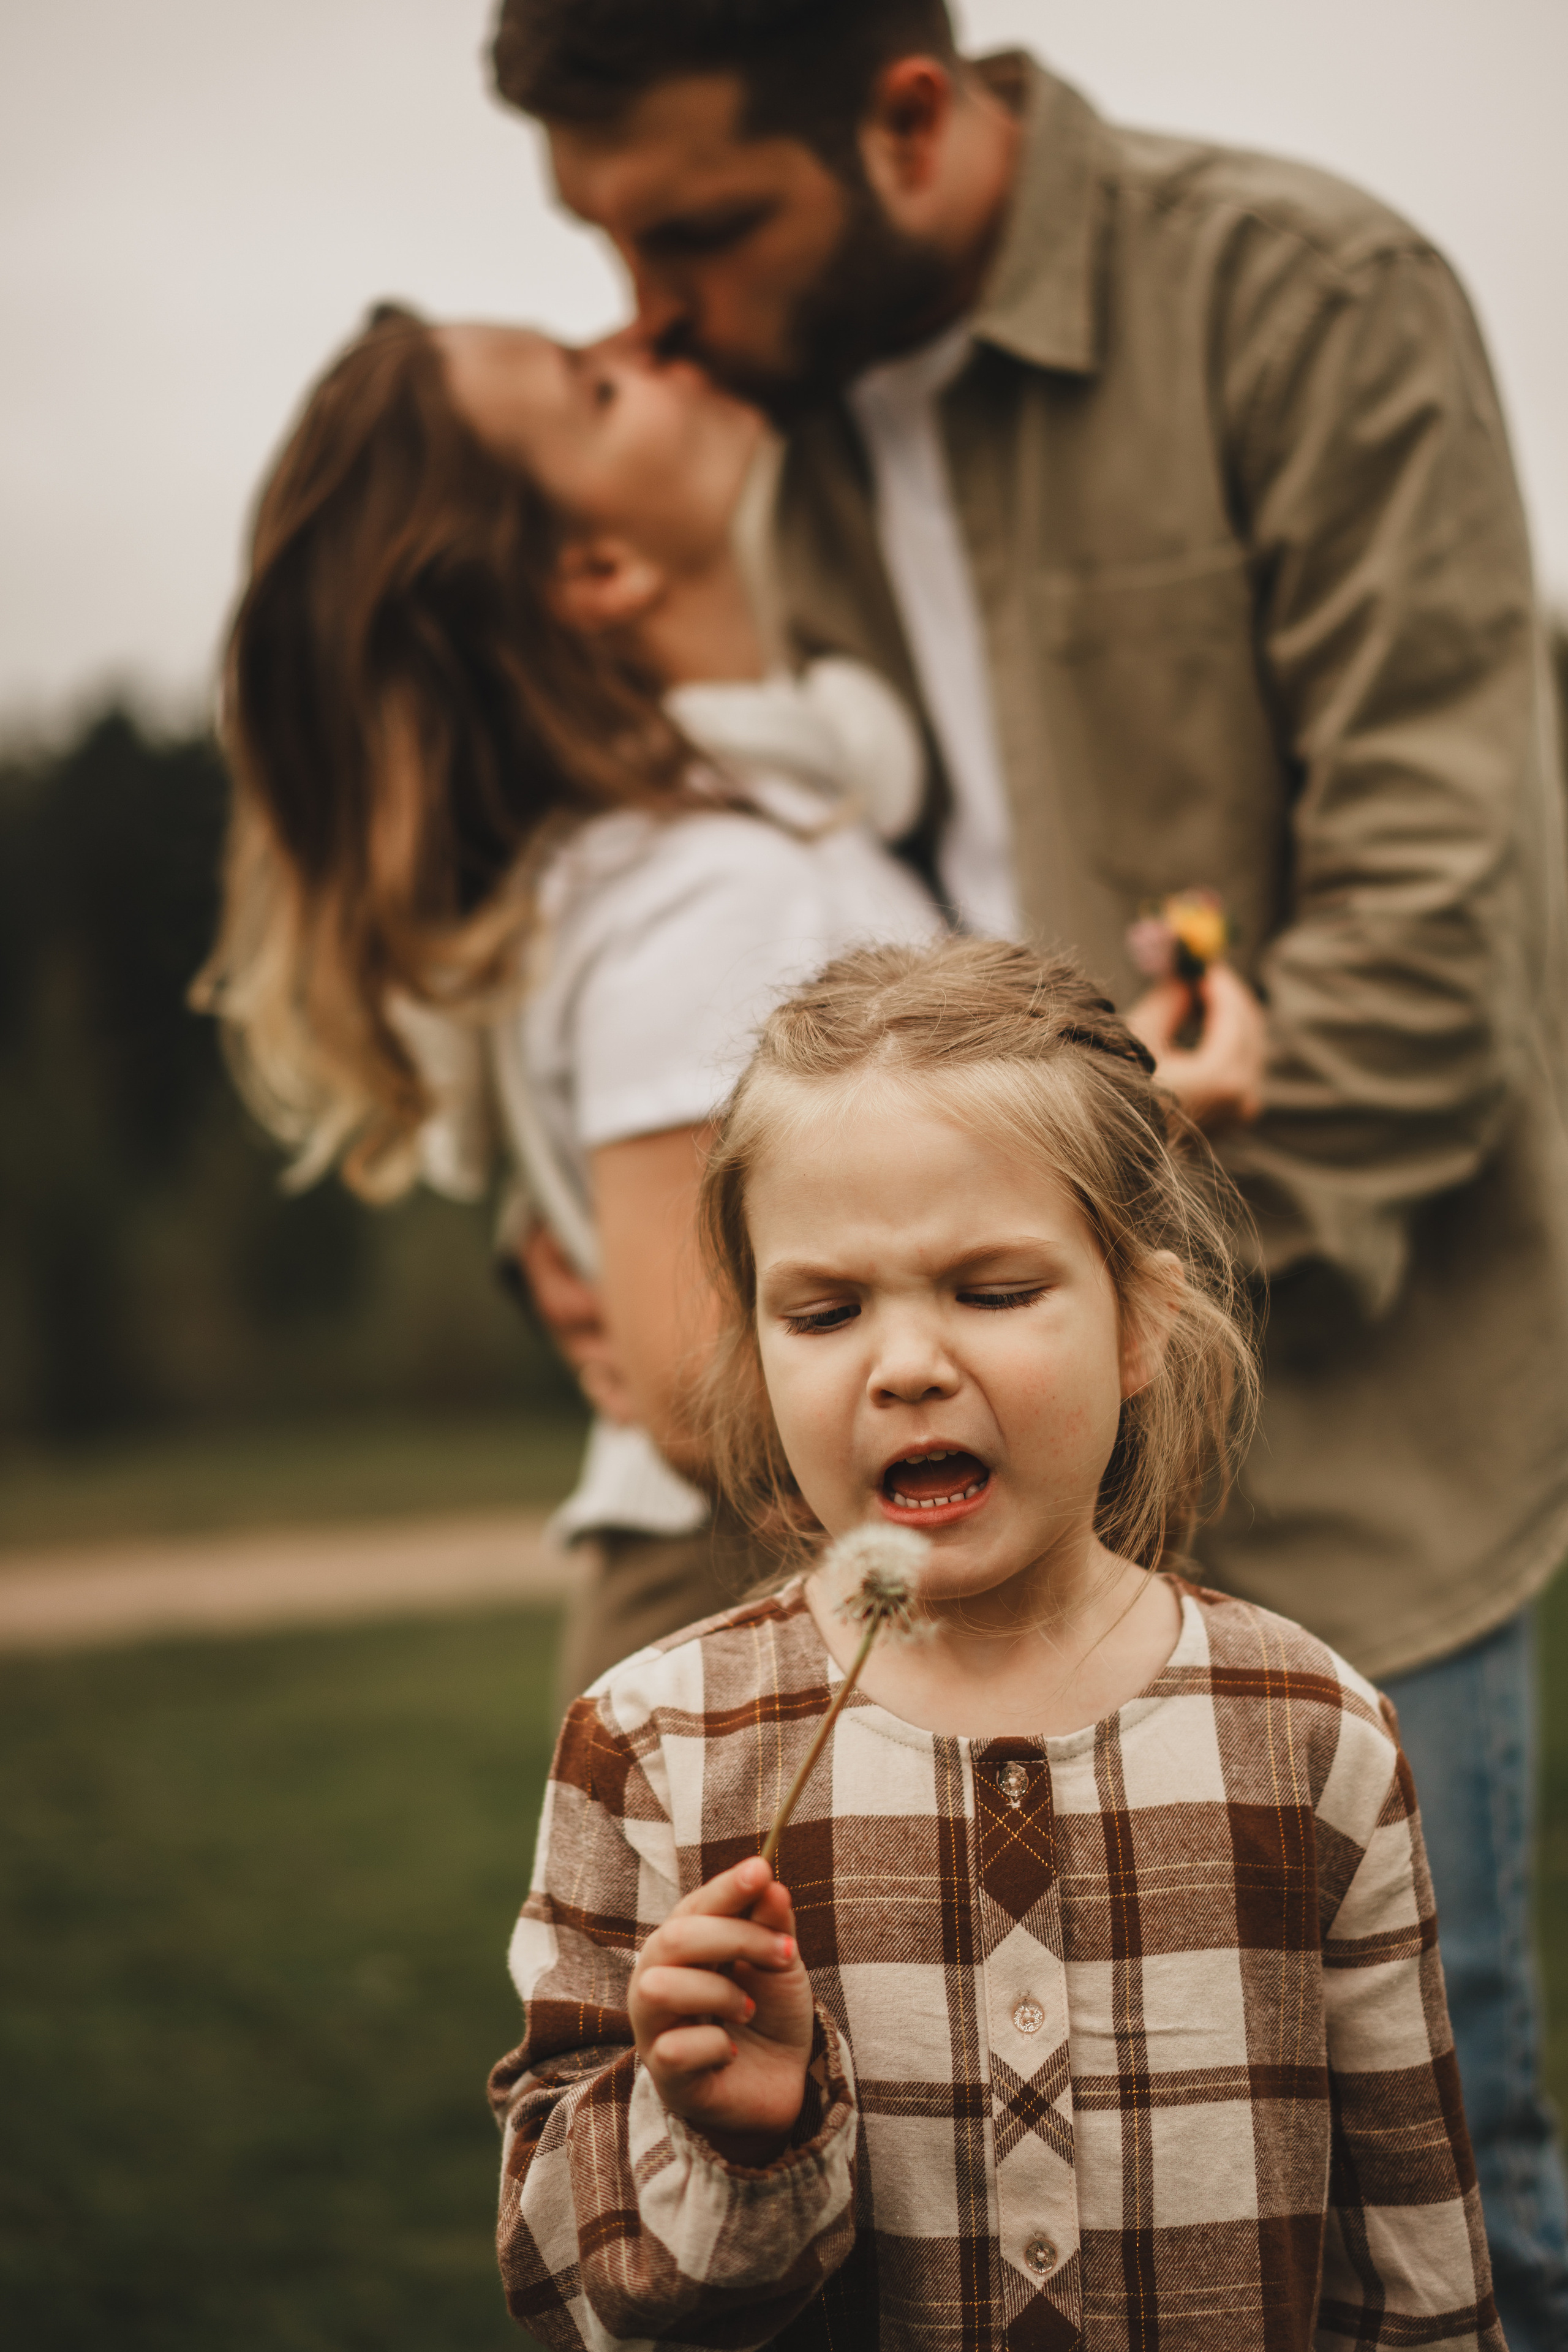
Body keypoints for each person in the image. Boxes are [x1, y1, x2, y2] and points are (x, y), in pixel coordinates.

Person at [489, 4, 1568, 2333]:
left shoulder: (1301, 300)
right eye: (607, 243)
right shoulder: (764, 433)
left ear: (902, 119)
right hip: (912, 1498)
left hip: (1353, 1424)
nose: (650, 311)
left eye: (700, 227)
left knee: (1425, 2150)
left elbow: (1442, 926)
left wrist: (1079, 1276)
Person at [489, 935, 1499, 2351]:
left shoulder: (1311, 1731)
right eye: (827, 1311)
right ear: (757, 1348)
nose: (904, 1364)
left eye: (991, 1290)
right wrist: (730, 2134)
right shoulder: (656, 1751)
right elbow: (562, 2296)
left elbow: (1415, 2275)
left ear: (1139, 1320)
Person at [195, 300, 941, 1700]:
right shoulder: (703, 885)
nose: (648, 337)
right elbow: (684, 1377)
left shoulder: (716, 838)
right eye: (594, 390)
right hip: (756, 1608)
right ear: (597, 566)